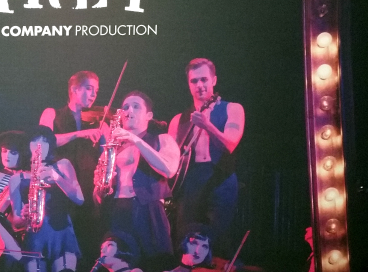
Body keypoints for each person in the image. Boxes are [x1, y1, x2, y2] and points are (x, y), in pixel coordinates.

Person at [167, 59, 244, 258]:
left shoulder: (232, 108)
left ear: (214, 80)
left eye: (204, 79)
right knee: (186, 241)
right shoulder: (178, 119)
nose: (199, 85)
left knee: (217, 241)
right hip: (190, 181)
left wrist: (207, 126)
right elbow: (170, 159)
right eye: (194, 81)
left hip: (221, 179)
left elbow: (231, 144)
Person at [95, 92, 179, 272]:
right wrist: (99, 188)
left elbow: (169, 169)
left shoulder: (162, 139)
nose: (128, 110)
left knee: (154, 264)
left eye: (135, 106)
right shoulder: (111, 150)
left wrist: (135, 139)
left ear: (149, 115)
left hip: (149, 210)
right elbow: (99, 197)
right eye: (125, 107)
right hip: (117, 211)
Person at [40, 71, 111, 265]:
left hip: (89, 192)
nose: (94, 94)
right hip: (61, 190)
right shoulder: (52, 113)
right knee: (63, 253)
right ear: (74, 89)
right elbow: (44, 142)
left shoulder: (99, 120)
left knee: (89, 248)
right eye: (89, 89)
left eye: (96, 90)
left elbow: (108, 154)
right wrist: (80, 134)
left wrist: (107, 134)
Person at [11, 126, 84, 272]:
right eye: (34, 141)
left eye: (44, 141)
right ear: (28, 145)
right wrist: (24, 216)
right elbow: (16, 222)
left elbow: (79, 199)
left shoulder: (62, 165)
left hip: (62, 233)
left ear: (50, 145)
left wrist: (56, 177)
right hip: (34, 237)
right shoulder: (16, 178)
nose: (39, 145)